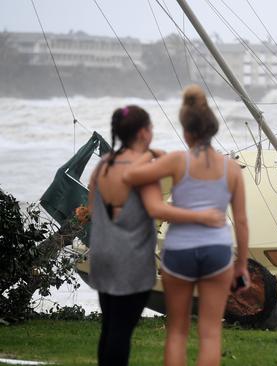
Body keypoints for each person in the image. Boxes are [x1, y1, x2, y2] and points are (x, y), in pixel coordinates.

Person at [87, 105, 225, 366]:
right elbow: (156, 209)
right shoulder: (144, 172)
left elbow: (93, 207)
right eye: (150, 128)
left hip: (102, 255)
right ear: (142, 133)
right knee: (121, 331)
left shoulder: (104, 164)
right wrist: (202, 217)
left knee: (109, 326)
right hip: (129, 261)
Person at [124, 85, 250, 366]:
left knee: (177, 332)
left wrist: (151, 154)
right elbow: (241, 221)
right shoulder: (232, 169)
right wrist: (241, 265)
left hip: (179, 251)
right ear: (212, 129)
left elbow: (131, 175)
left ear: (187, 131)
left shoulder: (177, 161)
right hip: (217, 251)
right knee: (210, 333)